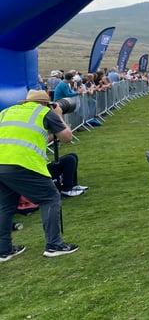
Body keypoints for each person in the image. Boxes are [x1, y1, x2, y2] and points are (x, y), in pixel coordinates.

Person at [0, 90, 79, 262]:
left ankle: (3, 250)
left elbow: (35, 136)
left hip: (1, 162)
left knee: (5, 206)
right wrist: (59, 116)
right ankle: (54, 245)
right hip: (23, 163)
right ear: (46, 103)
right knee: (50, 198)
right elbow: (66, 137)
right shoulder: (45, 112)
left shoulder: (7, 111)